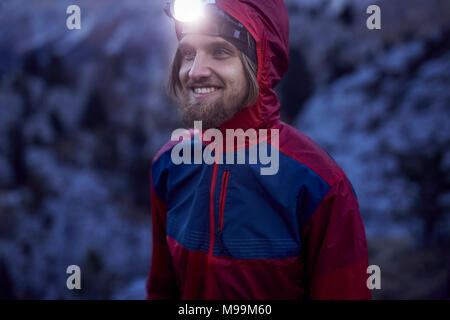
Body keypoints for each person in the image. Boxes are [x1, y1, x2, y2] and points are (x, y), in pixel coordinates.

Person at [146, 0, 371, 300]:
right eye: (188, 53)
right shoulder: (169, 164)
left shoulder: (320, 185)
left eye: (220, 52)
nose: (195, 71)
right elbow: (162, 292)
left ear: (261, 64)